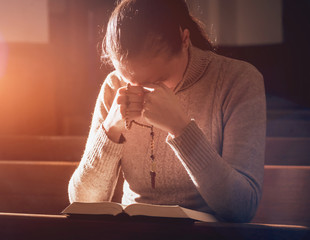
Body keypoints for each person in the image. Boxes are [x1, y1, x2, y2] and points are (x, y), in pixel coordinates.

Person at [68, 0, 266, 223]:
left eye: (157, 81)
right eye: (129, 79)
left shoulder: (237, 80)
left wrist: (181, 129)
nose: (140, 91)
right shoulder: (114, 86)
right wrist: (110, 130)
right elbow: (82, 202)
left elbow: (242, 207)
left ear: (184, 40)